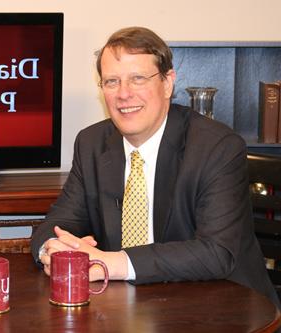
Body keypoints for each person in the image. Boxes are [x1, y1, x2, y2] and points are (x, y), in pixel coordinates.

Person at [30, 26, 279, 307]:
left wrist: (111, 263)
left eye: (137, 79)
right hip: (130, 308)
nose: (123, 94)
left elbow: (216, 253)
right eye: (112, 82)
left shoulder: (217, 147)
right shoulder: (92, 144)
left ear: (167, 83)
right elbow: (56, 224)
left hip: (221, 307)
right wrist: (50, 251)